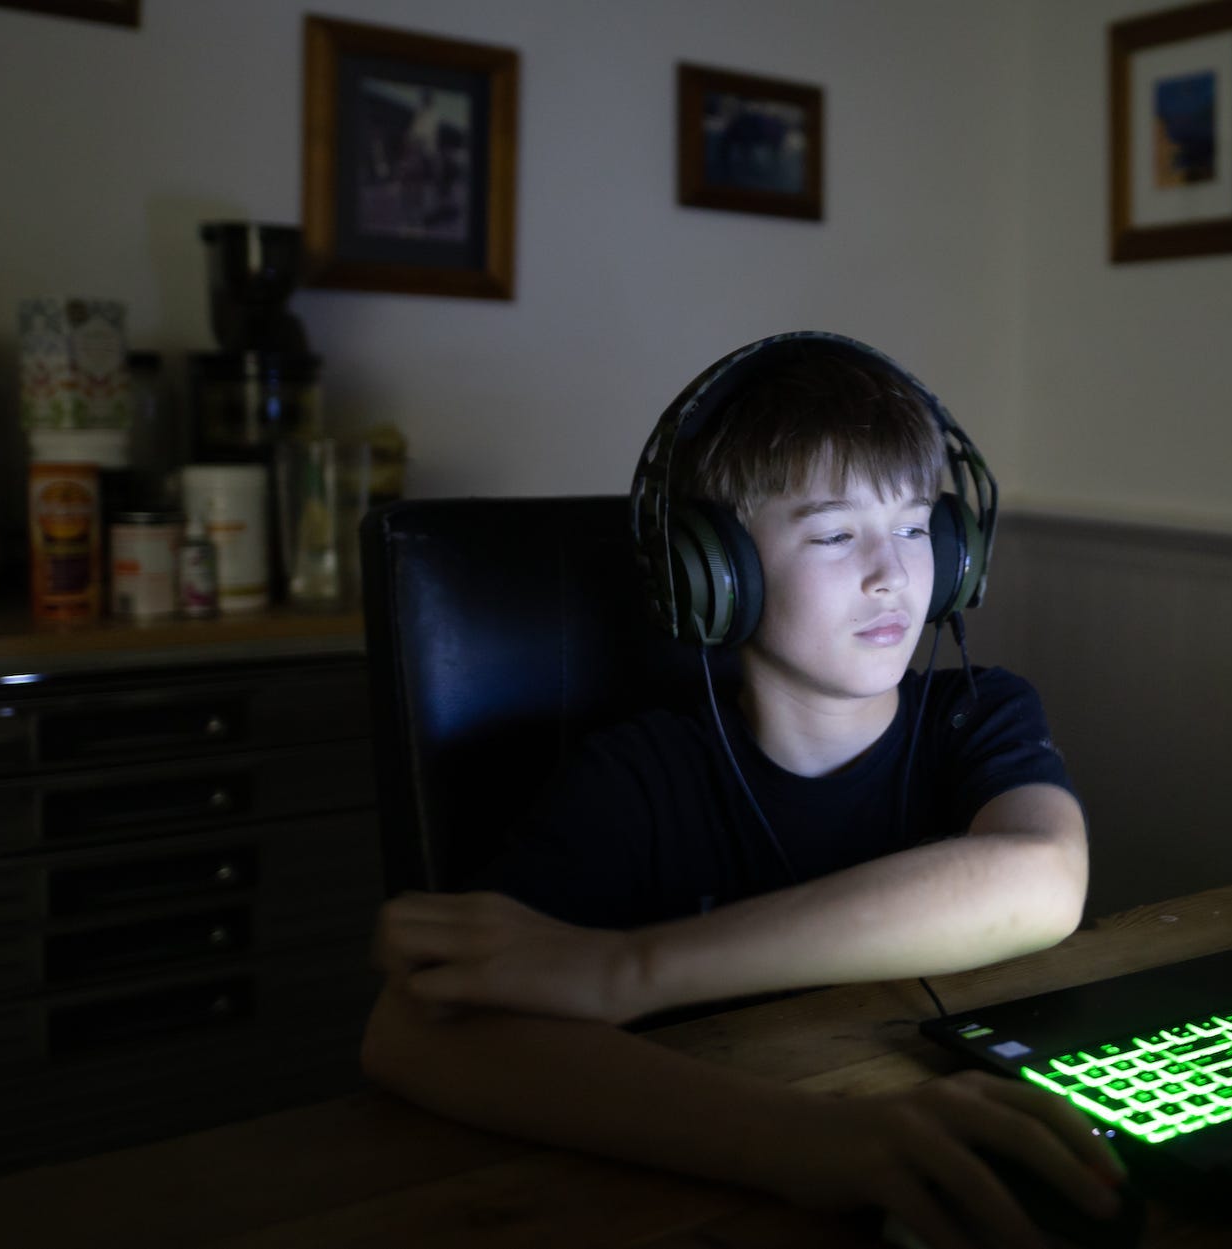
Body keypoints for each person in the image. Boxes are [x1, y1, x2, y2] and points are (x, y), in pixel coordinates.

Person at [361, 333, 1123, 1249]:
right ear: (715, 573)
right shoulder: (641, 778)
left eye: (918, 527)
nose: (894, 575)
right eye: (837, 533)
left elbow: (1040, 878)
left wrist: (627, 969)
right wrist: (807, 1143)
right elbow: (410, 1029)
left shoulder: (978, 711)